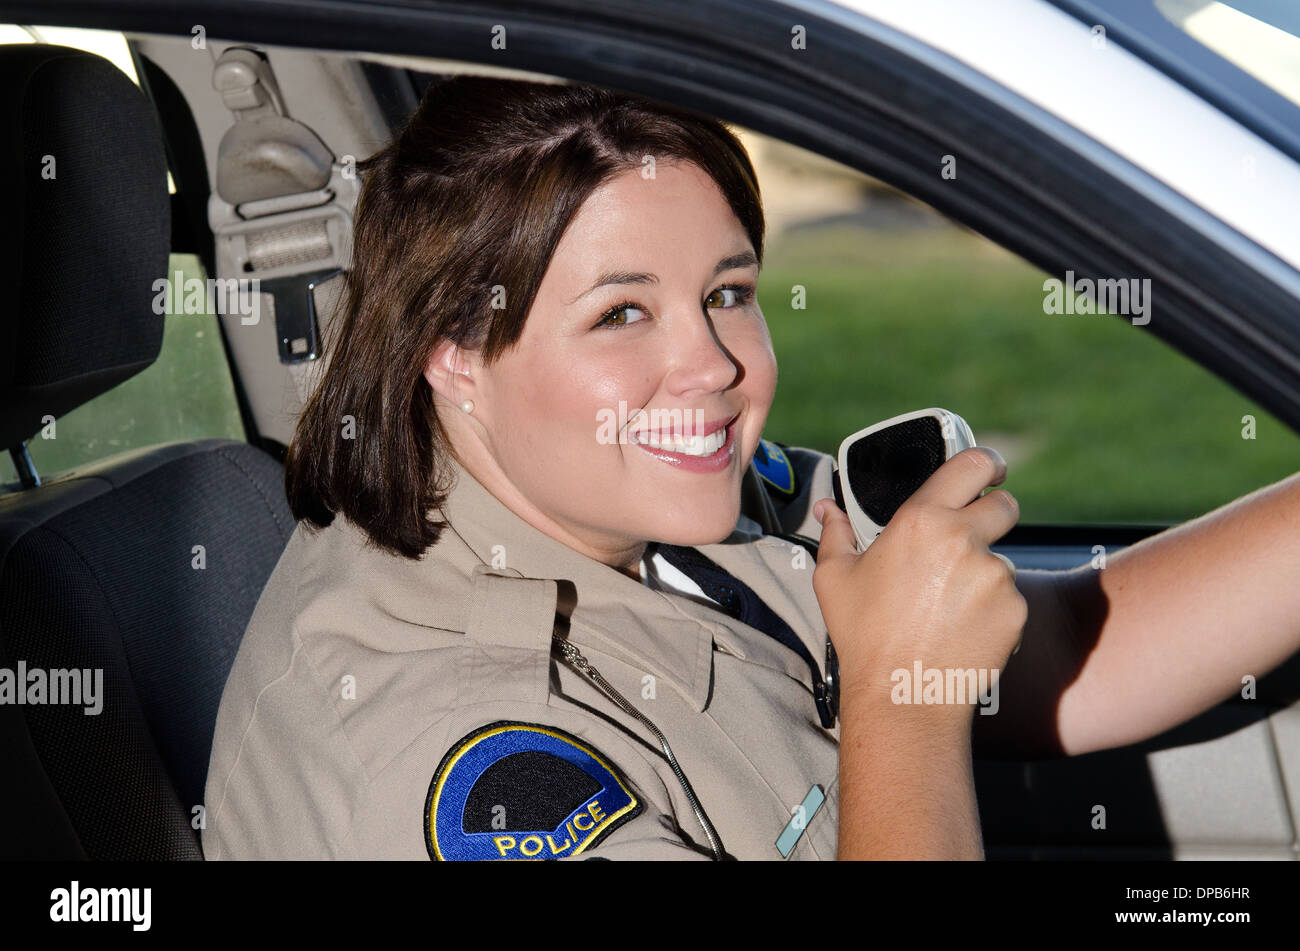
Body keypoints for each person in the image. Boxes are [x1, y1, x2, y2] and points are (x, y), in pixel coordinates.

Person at [201, 76, 1300, 861]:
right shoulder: (459, 760)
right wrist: (895, 705)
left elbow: (1055, 651)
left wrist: (912, 660)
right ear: (454, 353)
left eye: (727, 292)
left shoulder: (680, 510)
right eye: (621, 312)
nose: (716, 367)